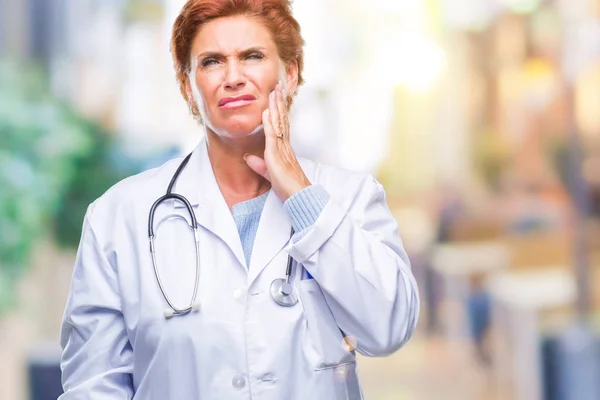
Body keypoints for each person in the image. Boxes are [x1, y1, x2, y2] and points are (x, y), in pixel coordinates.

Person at [58, 0, 419, 398]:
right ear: (187, 86)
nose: (233, 77)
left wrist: (301, 196)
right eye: (212, 61)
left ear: (291, 73)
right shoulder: (119, 217)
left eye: (253, 56)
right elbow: (92, 386)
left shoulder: (351, 197)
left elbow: (389, 328)